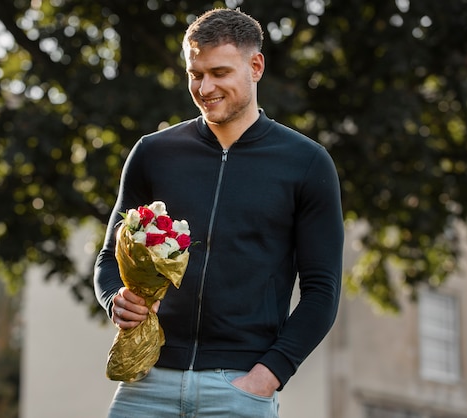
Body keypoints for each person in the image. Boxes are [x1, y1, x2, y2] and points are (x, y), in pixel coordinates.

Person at [94, 7, 344, 417]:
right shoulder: (153, 152)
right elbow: (109, 258)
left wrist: (266, 377)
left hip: (240, 387)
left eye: (220, 73)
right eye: (196, 74)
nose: (205, 87)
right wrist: (114, 299)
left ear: (256, 66)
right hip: (147, 381)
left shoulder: (307, 163)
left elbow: (322, 291)